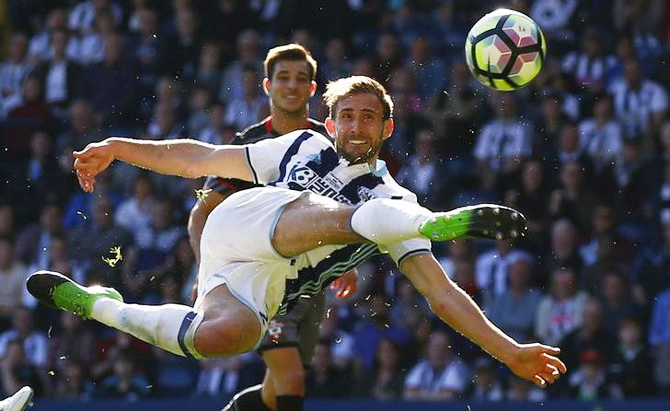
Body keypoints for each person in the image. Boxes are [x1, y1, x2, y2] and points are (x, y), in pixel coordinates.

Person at [28, 76, 565, 401]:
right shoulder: (303, 147)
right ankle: (437, 224)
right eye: (346, 116)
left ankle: (100, 306)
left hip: (257, 280)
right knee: (351, 215)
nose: (356, 126)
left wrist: (509, 351)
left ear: (387, 129)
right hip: (242, 222)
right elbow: (200, 158)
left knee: (225, 339)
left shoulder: (394, 197)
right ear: (330, 124)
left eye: (368, 118)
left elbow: (442, 295)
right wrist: (120, 146)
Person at [189, 44, 359, 411]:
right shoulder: (250, 144)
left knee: (277, 389)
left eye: (302, 79)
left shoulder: (326, 145)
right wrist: (208, 276)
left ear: (314, 89)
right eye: (283, 78)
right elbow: (200, 213)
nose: (292, 86)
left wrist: (350, 261)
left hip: (310, 281)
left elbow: (338, 210)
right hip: (261, 280)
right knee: (291, 379)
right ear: (267, 86)